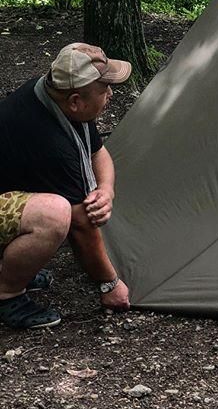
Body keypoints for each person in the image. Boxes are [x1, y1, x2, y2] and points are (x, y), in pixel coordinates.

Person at [0, 42, 132, 329]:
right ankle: (7, 293)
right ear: (75, 101)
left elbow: (98, 153)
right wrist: (110, 284)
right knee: (55, 214)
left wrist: (106, 189)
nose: (110, 93)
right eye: (104, 89)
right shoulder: (49, 141)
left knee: (54, 209)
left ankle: (14, 267)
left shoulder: (53, 97)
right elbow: (81, 224)